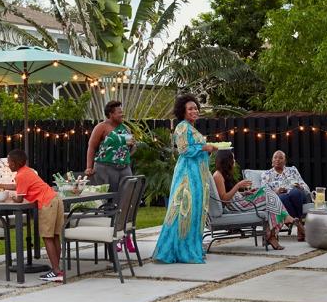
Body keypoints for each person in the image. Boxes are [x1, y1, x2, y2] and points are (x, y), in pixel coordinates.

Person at [152, 94, 217, 263]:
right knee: (183, 211)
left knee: (195, 211)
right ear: (183, 111)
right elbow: (183, 149)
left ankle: (192, 247)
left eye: (196, 108)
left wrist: (208, 149)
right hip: (187, 176)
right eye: (190, 109)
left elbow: (196, 148)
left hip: (198, 176)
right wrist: (205, 147)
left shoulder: (191, 127)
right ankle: (180, 251)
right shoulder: (182, 127)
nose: (194, 111)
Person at [0, 149, 65, 281]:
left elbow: (19, 199)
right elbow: (18, 186)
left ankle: (56, 271)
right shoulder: (27, 171)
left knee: (47, 237)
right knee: (55, 236)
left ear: (15, 163)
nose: (8, 164)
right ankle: (57, 269)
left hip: (47, 203)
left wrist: (12, 198)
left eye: (9, 162)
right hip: (55, 199)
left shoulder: (20, 175)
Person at [214, 150, 304, 249]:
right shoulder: (218, 175)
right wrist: (238, 185)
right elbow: (224, 198)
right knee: (268, 194)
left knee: (267, 193)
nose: (234, 161)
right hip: (238, 206)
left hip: (240, 200)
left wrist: (245, 193)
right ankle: (284, 221)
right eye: (232, 158)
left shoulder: (224, 174)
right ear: (226, 160)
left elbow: (231, 194)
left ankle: (273, 234)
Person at [84, 100, 137, 252]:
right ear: (110, 114)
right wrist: (89, 167)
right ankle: (113, 237)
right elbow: (91, 147)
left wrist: (130, 149)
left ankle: (125, 236)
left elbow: (132, 147)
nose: (122, 114)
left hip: (124, 168)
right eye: (119, 112)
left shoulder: (125, 128)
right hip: (105, 168)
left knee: (127, 202)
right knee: (110, 202)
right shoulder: (101, 127)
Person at [260, 150, 311, 222]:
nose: (277, 159)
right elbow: (264, 191)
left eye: (281, 158)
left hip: (298, 195)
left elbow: (306, 187)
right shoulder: (266, 174)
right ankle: (299, 221)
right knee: (282, 197)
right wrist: (276, 191)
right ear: (272, 160)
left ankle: (297, 221)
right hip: (281, 197)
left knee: (294, 192)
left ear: (285, 161)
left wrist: (300, 187)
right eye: (275, 157)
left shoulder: (292, 170)